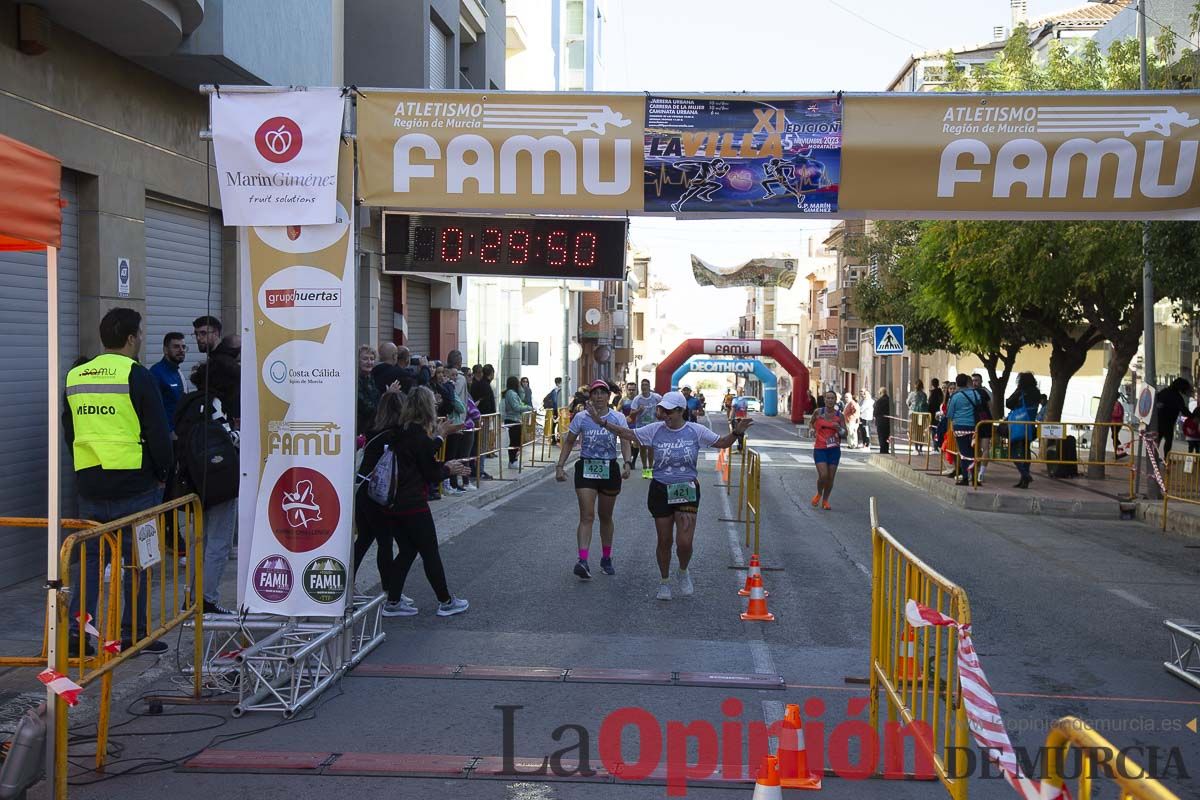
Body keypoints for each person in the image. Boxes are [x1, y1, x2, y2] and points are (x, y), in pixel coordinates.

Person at [64, 308, 171, 654]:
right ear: (130, 338)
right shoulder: (137, 375)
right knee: (138, 563)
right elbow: (157, 431)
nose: (141, 338)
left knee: (90, 566)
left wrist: (85, 466)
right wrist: (163, 474)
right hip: (136, 487)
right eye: (140, 333)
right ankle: (133, 635)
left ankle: (80, 637)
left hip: (91, 485)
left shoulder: (77, 375)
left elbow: (70, 430)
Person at [594, 391, 752, 601]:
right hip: (660, 489)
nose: (664, 414)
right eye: (662, 410)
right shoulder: (655, 430)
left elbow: (722, 443)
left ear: (680, 411)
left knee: (684, 542)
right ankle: (665, 581)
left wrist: (737, 433)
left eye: (669, 411)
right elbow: (628, 434)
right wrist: (603, 423)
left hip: (686, 488)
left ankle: (683, 571)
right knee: (664, 540)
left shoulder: (695, 431)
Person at [355, 387, 470, 617]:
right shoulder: (416, 434)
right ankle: (446, 601)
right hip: (412, 504)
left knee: (407, 550)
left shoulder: (401, 431)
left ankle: (393, 601)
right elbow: (428, 471)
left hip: (393, 504)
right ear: (427, 407)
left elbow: (420, 457)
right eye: (433, 404)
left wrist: (439, 437)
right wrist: (448, 467)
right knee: (429, 551)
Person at [556, 380, 631, 579]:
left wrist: (627, 463)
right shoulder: (581, 417)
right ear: (590, 397)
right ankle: (582, 560)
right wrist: (560, 466)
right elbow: (569, 442)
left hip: (609, 469)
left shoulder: (618, 417)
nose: (598, 397)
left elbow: (625, 440)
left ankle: (606, 558)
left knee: (605, 517)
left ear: (608, 396)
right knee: (587, 516)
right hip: (587, 468)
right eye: (595, 393)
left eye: (602, 393)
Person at [810, 390, 849, 510]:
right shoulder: (818, 412)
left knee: (831, 477)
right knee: (823, 475)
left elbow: (845, 433)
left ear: (835, 400)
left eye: (832, 398)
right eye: (828, 398)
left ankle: (825, 500)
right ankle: (819, 494)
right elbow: (811, 423)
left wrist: (839, 430)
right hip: (820, 448)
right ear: (825, 399)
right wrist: (812, 430)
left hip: (834, 449)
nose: (830, 400)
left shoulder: (839, 416)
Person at [946, 374, 985, 486]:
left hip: (959, 428)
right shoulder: (975, 393)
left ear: (957, 383)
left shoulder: (955, 397)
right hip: (974, 427)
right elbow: (980, 406)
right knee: (973, 453)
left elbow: (949, 414)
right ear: (967, 382)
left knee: (963, 454)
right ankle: (974, 478)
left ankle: (965, 478)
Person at [1006, 372, 1040, 489]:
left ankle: (1025, 475)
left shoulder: (1021, 391)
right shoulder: (1036, 392)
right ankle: (1024, 480)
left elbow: (1009, 403)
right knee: (1026, 451)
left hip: (1018, 424)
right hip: (1030, 425)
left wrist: (1018, 391)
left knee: (1012, 451)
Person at [149, 332, 187, 433]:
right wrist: (168, 432)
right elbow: (152, 409)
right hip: (167, 435)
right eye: (176, 347)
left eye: (183, 347)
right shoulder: (156, 373)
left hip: (181, 432)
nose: (181, 350)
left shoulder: (178, 372)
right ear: (165, 350)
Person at [628, 379, 661, 478]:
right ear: (640, 387)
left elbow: (663, 406)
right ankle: (645, 468)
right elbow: (631, 413)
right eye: (642, 385)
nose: (644, 387)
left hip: (653, 427)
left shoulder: (656, 397)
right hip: (641, 427)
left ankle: (650, 468)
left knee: (651, 448)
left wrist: (659, 412)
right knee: (642, 449)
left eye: (646, 385)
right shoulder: (637, 399)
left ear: (649, 386)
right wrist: (639, 410)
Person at [1155, 378, 1194, 456]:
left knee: (1156, 442)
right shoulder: (1177, 397)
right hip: (1168, 423)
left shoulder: (1163, 392)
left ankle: (1153, 459)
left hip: (1157, 421)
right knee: (1168, 442)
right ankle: (1166, 459)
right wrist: (1193, 416)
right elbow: (1184, 410)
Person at [502, 375, 534, 468]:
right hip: (513, 419)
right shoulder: (511, 393)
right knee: (514, 441)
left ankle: (514, 460)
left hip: (516, 419)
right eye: (518, 383)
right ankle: (512, 461)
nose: (520, 384)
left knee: (517, 441)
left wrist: (521, 390)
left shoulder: (514, 393)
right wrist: (528, 408)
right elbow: (516, 407)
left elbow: (522, 400)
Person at [971, 374, 993, 484]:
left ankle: (980, 472)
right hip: (984, 421)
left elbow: (990, 405)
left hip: (979, 423)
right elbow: (990, 406)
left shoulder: (977, 393)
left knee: (982, 448)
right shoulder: (985, 392)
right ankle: (980, 471)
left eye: (977, 380)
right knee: (981, 448)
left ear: (981, 381)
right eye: (973, 380)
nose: (975, 383)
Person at [356, 345, 380, 436]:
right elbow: (367, 407)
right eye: (365, 359)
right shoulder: (354, 380)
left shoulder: (370, 377)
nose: (369, 362)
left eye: (372, 359)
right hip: (358, 428)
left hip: (369, 427)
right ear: (357, 360)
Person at [906, 380, 928, 454]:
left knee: (915, 431)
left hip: (914, 414)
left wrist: (911, 406)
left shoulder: (912, 394)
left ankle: (916, 448)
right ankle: (921, 448)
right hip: (922, 414)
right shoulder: (924, 395)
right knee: (921, 431)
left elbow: (907, 402)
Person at [543, 377, 563, 444]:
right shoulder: (556, 391)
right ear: (557, 383)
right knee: (556, 424)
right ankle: (555, 439)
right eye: (560, 382)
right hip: (557, 409)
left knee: (555, 424)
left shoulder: (555, 390)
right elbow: (555, 401)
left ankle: (555, 439)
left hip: (556, 410)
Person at [874, 388, 892, 455]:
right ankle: (886, 450)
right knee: (887, 436)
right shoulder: (889, 400)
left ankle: (882, 450)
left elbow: (876, 411)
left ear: (881, 393)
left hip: (881, 421)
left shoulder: (879, 401)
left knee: (881, 436)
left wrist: (875, 415)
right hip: (888, 421)